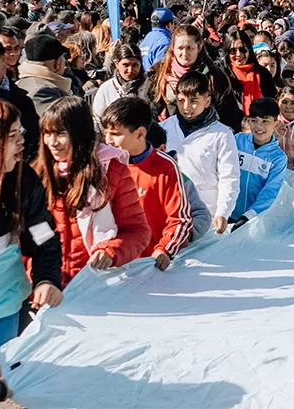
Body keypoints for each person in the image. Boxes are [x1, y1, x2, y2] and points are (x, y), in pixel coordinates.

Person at [0, 97, 62, 349]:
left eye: (21, 132)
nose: (21, 141)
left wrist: (46, 280)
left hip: (3, 316)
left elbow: (43, 238)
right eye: (11, 135)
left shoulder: (24, 182)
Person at [33, 97, 151, 287]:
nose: (52, 142)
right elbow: (31, 233)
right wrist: (38, 277)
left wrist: (110, 251)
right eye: (46, 133)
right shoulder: (38, 174)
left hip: (96, 284)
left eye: (60, 133)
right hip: (48, 286)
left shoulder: (111, 172)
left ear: (79, 133)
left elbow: (138, 231)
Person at [101, 97, 193, 271]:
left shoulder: (165, 166)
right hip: (111, 265)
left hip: (150, 266)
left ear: (140, 133)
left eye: (116, 134)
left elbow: (181, 219)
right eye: (106, 133)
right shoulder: (104, 165)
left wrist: (165, 249)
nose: (108, 140)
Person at [161, 71, 240, 235]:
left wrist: (223, 212)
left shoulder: (222, 134)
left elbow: (229, 176)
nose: (186, 107)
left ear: (207, 101)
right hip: (169, 209)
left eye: (194, 101)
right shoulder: (165, 128)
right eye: (181, 101)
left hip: (205, 213)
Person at [145, 24, 244, 132]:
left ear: (199, 47)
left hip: (206, 135)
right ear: (173, 48)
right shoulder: (158, 73)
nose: (184, 53)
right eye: (180, 48)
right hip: (167, 134)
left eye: (189, 48)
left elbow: (229, 113)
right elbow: (146, 109)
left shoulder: (213, 75)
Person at [229, 98, 287, 231]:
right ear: (248, 120)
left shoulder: (278, 158)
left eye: (265, 121)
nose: (259, 126)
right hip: (224, 212)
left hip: (249, 220)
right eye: (254, 120)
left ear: (276, 123)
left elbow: (270, 191)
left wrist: (249, 216)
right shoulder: (237, 141)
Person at [146, 123, 210, 242]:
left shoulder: (178, 179)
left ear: (161, 149)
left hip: (165, 253)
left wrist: (182, 237)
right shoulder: (122, 176)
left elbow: (201, 215)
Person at [222, 30, 277, 115]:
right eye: (233, 50)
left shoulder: (263, 73)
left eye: (242, 49)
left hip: (259, 124)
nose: (238, 54)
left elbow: (272, 103)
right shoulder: (221, 73)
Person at [17, 34, 74, 116]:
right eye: (63, 57)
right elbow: (56, 124)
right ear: (57, 63)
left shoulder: (22, 82)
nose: (65, 61)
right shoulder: (44, 92)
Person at [91, 44, 146, 121]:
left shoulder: (148, 87)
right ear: (116, 64)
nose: (130, 70)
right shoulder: (106, 88)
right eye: (125, 65)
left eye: (135, 65)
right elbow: (98, 118)